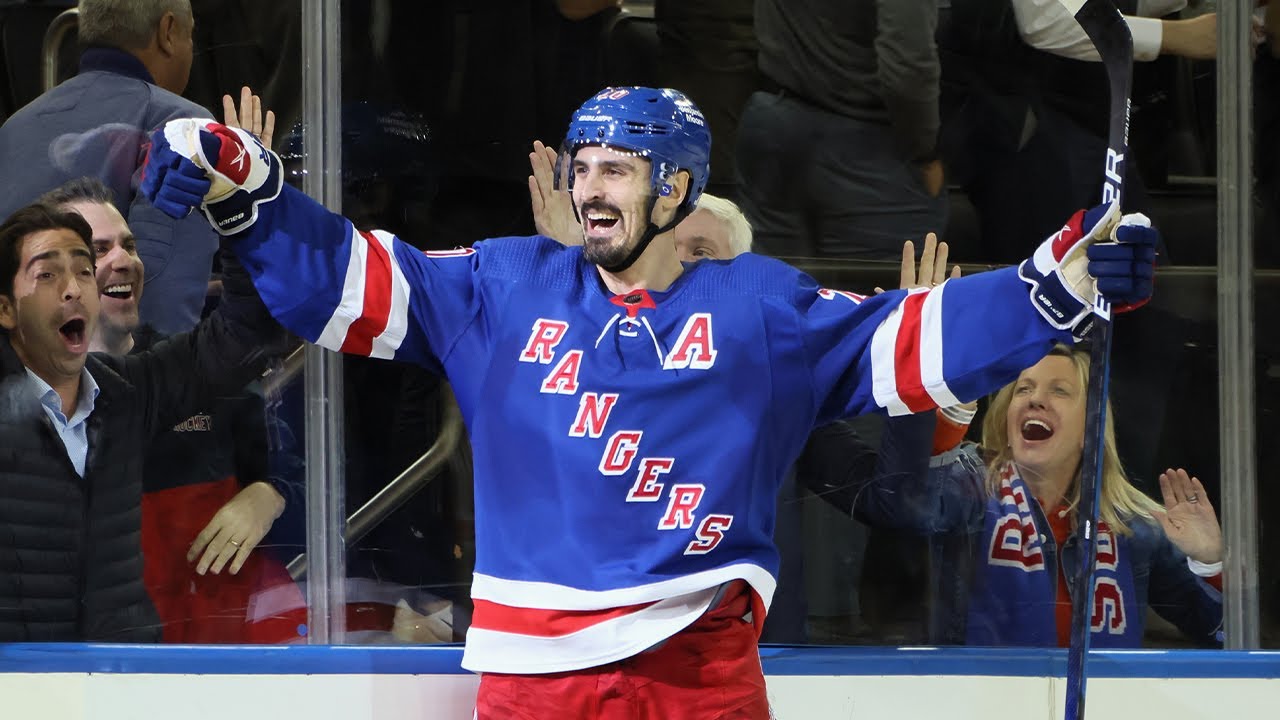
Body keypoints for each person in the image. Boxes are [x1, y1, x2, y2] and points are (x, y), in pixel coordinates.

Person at [141, 86, 1157, 718]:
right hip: (536, 681)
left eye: (616, 170)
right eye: (581, 167)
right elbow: (346, 286)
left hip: (698, 671)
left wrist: (1052, 284)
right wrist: (250, 192)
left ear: (675, 189)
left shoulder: (760, 307)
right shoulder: (501, 288)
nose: (590, 188)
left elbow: (913, 339)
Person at [0, 193, 285, 642]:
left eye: (81, 270)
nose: (73, 287)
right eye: (47, 274)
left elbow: (246, 334)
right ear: (6, 309)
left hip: (126, 678)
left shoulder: (128, 392)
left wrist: (237, 210)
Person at [870, 344, 1223, 647]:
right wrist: (946, 419)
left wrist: (1209, 564)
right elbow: (912, 506)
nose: (1036, 399)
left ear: (1091, 427)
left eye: (1059, 391)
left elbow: (1219, 636)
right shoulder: (969, 489)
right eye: (1023, 389)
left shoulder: (1136, 527)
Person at [0, 0, 215, 335]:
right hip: (103, 377)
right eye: (191, 36)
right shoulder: (181, 124)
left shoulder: (14, 128)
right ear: (168, 32)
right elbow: (166, 294)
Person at [736, 0, 947, 260]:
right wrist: (925, 152)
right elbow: (908, 63)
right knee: (878, 296)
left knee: (770, 290)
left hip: (773, 120)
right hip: (867, 145)